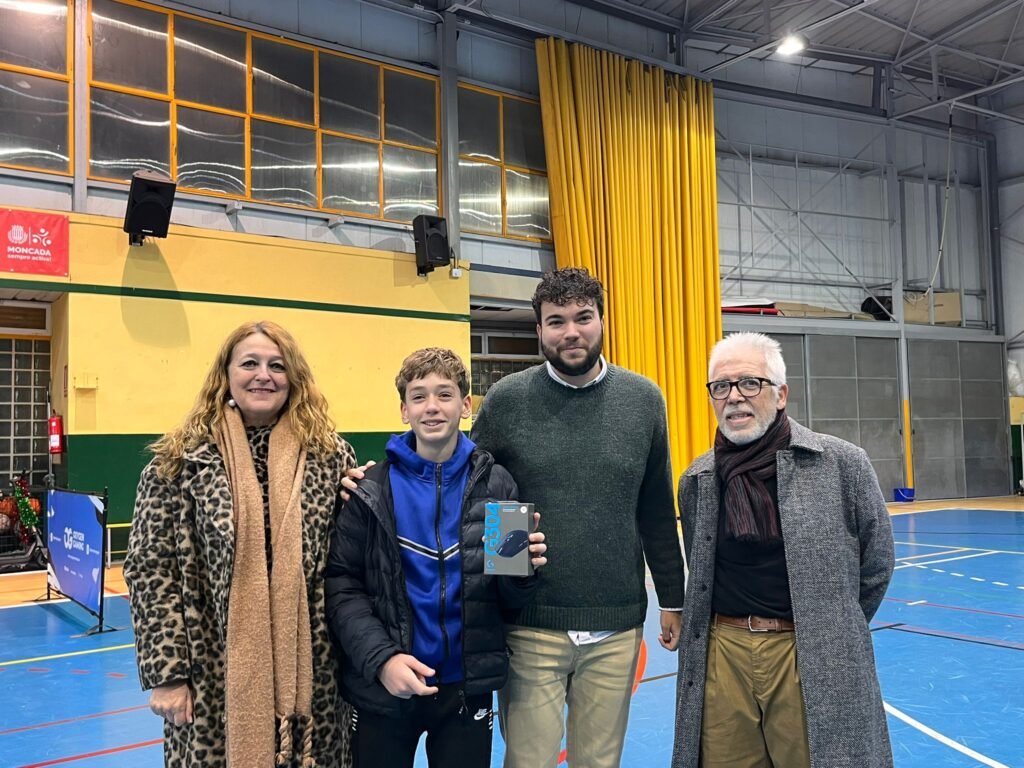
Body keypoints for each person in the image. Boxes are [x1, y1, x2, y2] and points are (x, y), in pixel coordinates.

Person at [470, 267, 685, 768]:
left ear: (602, 321)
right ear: (539, 330)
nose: (571, 332)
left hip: (615, 624)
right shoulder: (507, 400)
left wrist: (672, 598)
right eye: (556, 321)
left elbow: (656, 508)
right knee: (529, 762)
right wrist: (508, 565)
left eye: (583, 317)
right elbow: (476, 493)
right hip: (529, 624)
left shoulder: (643, 400)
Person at [124, 320, 358, 768]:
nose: (263, 375)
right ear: (226, 374)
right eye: (249, 363)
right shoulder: (178, 462)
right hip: (210, 677)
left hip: (313, 680)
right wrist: (167, 674)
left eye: (277, 366)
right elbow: (151, 570)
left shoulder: (331, 458)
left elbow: (347, 565)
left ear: (294, 378)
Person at [672, 331, 895, 768]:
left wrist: (829, 627)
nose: (734, 396)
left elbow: (877, 564)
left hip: (808, 651)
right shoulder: (697, 480)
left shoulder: (841, 464)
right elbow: (700, 573)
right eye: (721, 386)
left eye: (749, 383)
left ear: (780, 394)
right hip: (724, 654)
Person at [324, 347, 547, 768]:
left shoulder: (497, 484)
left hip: (466, 688)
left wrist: (523, 573)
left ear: (465, 406)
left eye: (445, 394)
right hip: (384, 688)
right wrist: (382, 660)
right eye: (419, 396)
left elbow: (509, 598)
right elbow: (343, 586)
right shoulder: (370, 489)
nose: (432, 406)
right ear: (404, 410)